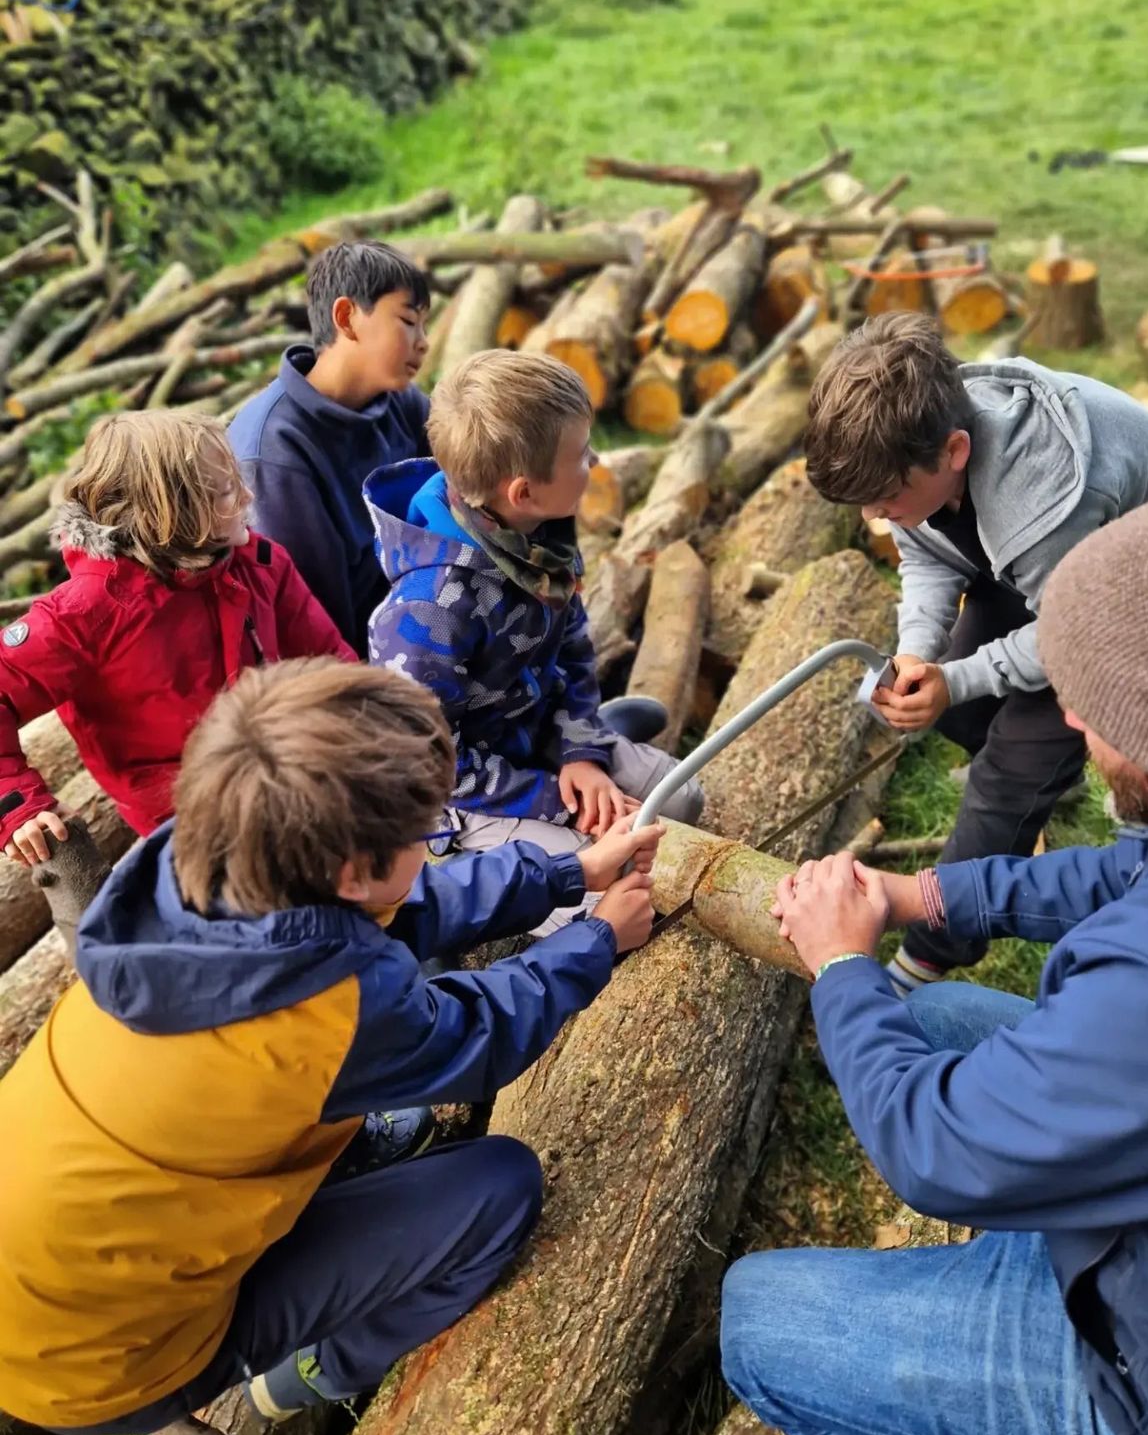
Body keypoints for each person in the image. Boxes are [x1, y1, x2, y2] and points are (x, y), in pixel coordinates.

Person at [0, 656, 664, 1435]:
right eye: (424, 832)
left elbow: (385, 910)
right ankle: (319, 1367)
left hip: (53, 1271)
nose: (430, 843)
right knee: (501, 1187)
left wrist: (563, 874)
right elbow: (480, 1032)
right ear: (352, 870)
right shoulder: (326, 1017)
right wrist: (594, 939)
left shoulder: (203, 865)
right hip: (100, 1364)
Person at [721, 488, 1148, 1435]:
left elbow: (935, 1151)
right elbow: (1130, 871)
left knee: (759, 1316)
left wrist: (844, 967)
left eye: (1092, 703)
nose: (1067, 712)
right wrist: (923, 900)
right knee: (943, 1025)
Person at [801, 312, 1148, 993]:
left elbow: (1068, 632)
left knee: (1003, 780)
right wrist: (921, 656)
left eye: (888, 498)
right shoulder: (918, 457)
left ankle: (930, 954)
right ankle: (1065, 769)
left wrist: (958, 679)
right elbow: (925, 552)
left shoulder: (1038, 490)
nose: (876, 515)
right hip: (1047, 573)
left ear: (955, 451)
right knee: (957, 712)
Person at [365, 349, 702, 927]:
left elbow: (571, 643)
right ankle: (459, 877)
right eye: (581, 454)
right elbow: (429, 764)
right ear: (521, 491)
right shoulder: (428, 607)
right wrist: (556, 803)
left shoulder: (539, 533)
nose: (593, 460)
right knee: (608, 886)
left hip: (533, 733)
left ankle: (599, 740)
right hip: (459, 798)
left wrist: (580, 753)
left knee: (682, 798)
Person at [0, 410, 352, 867]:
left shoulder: (258, 562)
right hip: (185, 808)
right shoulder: (87, 611)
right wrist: (19, 805)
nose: (248, 495)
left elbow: (331, 660)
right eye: (226, 491)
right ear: (167, 514)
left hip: (279, 759)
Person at [228, 241, 432, 654]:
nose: (423, 342)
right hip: (339, 671)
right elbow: (312, 626)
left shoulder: (402, 403)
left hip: (419, 636)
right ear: (347, 318)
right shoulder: (274, 451)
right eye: (408, 321)